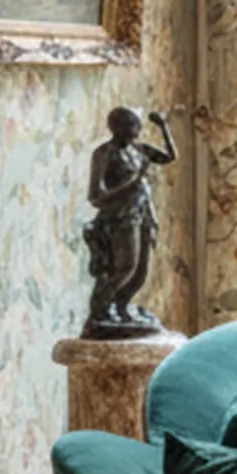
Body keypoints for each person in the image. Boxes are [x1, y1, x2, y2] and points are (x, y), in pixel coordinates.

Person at [82, 106, 175, 336]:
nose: (136, 132)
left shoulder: (138, 149)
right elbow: (96, 196)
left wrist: (164, 127)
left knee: (141, 271)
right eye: (131, 127)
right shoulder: (105, 154)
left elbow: (169, 157)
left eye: (137, 126)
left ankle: (121, 306)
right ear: (116, 128)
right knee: (124, 267)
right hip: (119, 219)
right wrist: (133, 181)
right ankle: (100, 311)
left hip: (142, 214)